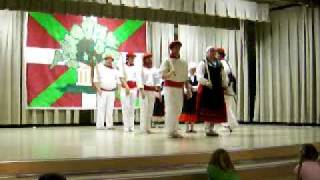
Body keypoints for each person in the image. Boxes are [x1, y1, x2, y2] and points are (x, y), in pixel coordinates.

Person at [159, 40, 192, 138]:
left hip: (179, 88)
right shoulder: (167, 61)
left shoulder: (184, 62)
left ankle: (174, 129)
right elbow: (162, 75)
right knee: (170, 109)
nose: (177, 49)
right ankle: (170, 131)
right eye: (175, 47)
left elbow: (185, 77)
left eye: (178, 47)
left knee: (178, 108)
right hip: (169, 87)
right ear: (171, 49)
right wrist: (170, 73)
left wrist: (188, 89)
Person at [196, 46, 228, 136]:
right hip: (208, 89)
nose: (213, 53)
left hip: (217, 89)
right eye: (211, 51)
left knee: (215, 110)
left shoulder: (219, 64)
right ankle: (207, 129)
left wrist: (224, 84)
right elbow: (199, 76)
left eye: (214, 51)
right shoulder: (203, 63)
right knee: (208, 109)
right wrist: (206, 82)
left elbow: (223, 75)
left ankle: (212, 128)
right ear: (207, 53)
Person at [93, 55, 120, 130]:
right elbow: (95, 80)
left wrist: (118, 91)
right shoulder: (99, 67)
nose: (109, 61)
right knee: (101, 108)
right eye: (107, 59)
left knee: (110, 109)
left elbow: (118, 81)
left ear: (112, 61)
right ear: (105, 60)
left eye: (111, 60)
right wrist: (99, 89)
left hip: (112, 92)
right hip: (102, 91)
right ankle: (100, 125)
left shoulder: (115, 70)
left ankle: (109, 125)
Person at [218, 48, 238, 133]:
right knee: (227, 106)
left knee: (225, 107)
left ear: (219, 54)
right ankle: (229, 123)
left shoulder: (222, 63)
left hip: (226, 87)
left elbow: (226, 75)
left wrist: (224, 86)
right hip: (229, 87)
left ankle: (227, 124)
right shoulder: (227, 62)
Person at [139, 53, 160, 133]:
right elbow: (139, 80)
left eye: (150, 58)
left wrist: (158, 89)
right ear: (144, 60)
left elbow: (157, 80)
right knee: (144, 109)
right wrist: (141, 90)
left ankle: (148, 128)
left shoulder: (154, 69)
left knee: (150, 109)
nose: (150, 60)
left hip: (152, 91)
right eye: (148, 58)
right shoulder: (142, 69)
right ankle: (143, 128)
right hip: (144, 90)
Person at [120, 52, 139, 132]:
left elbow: (137, 79)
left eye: (133, 58)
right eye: (131, 58)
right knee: (125, 108)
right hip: (125, 89)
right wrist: (127, 87)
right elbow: (121, 78)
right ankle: (126, 126)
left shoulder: (136, 67)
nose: (132, 59)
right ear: (127, 58)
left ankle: (131, 126)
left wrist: (137, 89)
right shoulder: (123, 66)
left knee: (132, 108)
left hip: (134, 89)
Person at [179, 62, 198, 133]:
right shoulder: (186, 76)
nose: (193, 70)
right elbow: (183, 85)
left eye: (194, 69)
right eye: (192, 69)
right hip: (187, 95)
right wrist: (186, 90)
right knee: (186, 110)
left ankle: (192, 128)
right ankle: (187, 127)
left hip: (194, 95)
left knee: (193, 110)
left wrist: (193, 88)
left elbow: (198, 86)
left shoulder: (197, 77)